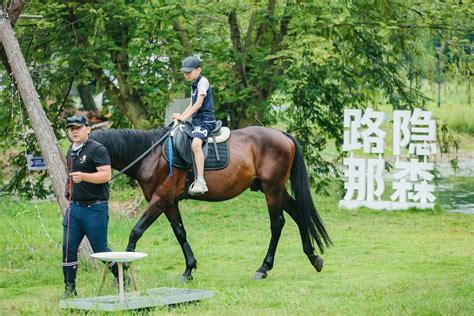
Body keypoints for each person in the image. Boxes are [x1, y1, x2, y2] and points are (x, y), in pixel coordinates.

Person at [61, 114, 120, 298]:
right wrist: (69, 187)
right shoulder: (70, 150)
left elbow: (106, 175)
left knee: (100, 250)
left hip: (95, 208)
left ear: (88, 128)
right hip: (75, 209)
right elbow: (71, 175)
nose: (75, 131)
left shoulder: (97, 149)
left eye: (78, 127)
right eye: (72, 128)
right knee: (67, 248)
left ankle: (121, 275)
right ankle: (70, 290)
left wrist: (84, 177)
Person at [172, 56, 216, 195]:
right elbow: (191, 103)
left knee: (196, 145)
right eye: (185, 72)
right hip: (197, 121)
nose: (186, 75)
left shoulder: (203, 81)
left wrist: (184, 117)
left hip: (206, 121)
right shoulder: (194, 84)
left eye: (189, 72)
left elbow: (198, 104)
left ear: (198, 70)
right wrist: (181, 117)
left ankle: (201, 181)